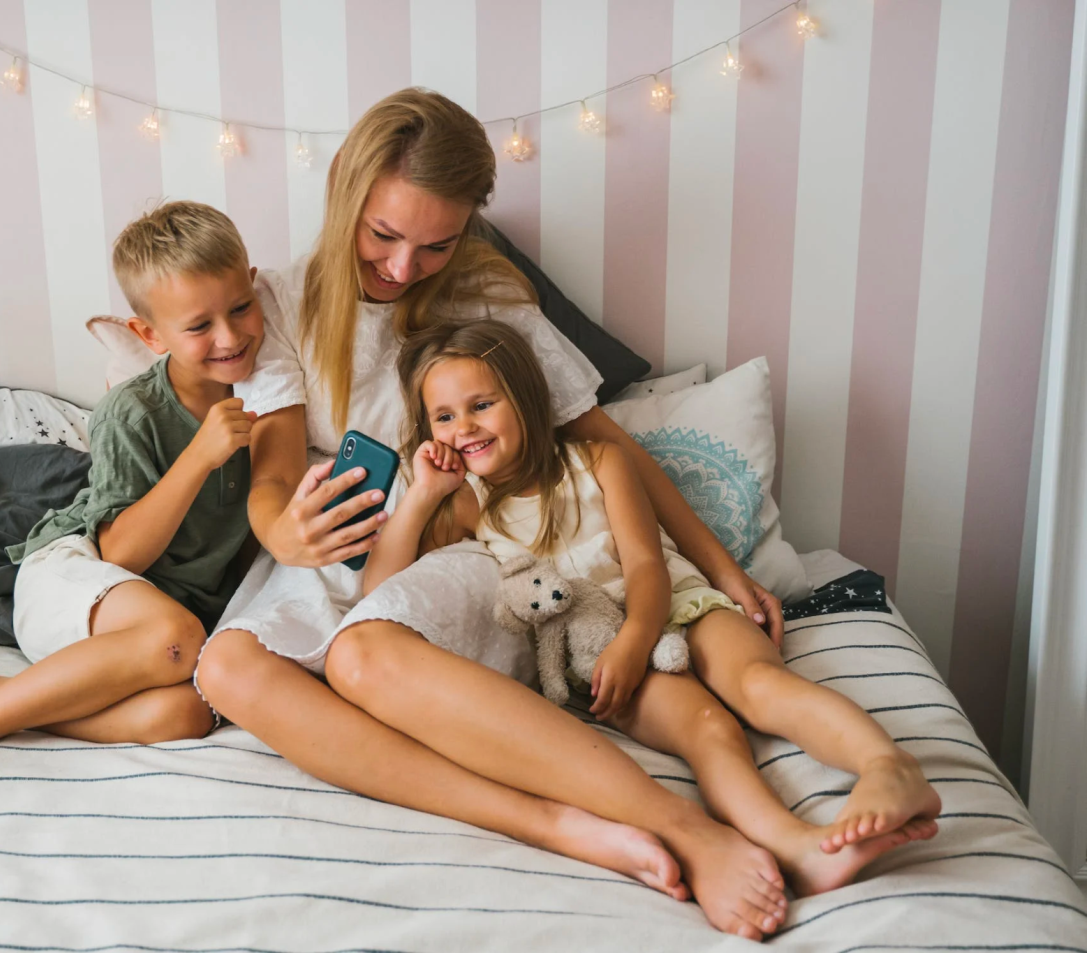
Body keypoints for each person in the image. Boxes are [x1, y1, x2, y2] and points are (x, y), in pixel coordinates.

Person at [194, 88, 805, 940]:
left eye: (435, 243)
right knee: (224, 668)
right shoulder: (283, 302)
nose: (406, 267)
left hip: (453, 547)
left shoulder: (482, 291)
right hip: (328, 556)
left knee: (362, 661)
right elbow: (273, 475)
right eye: (384, 236)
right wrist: (278, 528)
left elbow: (606, 446)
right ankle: (551, 822)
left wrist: (726, 568)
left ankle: (685, 829)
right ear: (343, 188)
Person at [364, 318, 941, 899]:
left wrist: (638, 637)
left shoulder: (597, 461)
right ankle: (795, 846)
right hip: (597, 652)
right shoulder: (468, 503)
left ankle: (888, 766)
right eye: (444, 416)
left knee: (760, 682)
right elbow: (377, 596)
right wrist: (421, 496)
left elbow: (646, 566)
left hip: (674, 604)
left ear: (526, 398)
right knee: (709, 729)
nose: (464, 427)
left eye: (481, 405)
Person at [0, 202, 264, 794]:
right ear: (149, 334)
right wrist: (199, 456)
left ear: (257, 285)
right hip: (75, 578)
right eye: (199, 326)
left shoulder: (276, 398)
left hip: (156, 632)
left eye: (241, 308)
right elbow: (121, 554)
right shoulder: (133, 411)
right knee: (177, 640)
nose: (230, 336)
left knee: (184, 716)